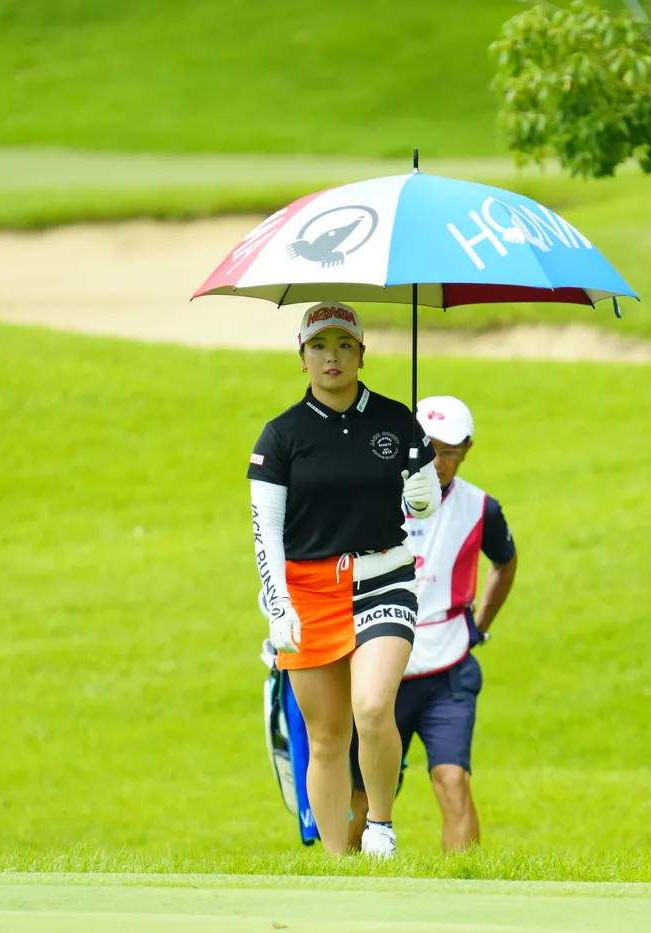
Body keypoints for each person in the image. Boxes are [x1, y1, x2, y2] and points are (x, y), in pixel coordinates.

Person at [247, 301, 441, 858]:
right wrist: (279, 605)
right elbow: (266, 531)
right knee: (327, 735)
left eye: (343, 345)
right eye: (319, 346)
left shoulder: (397, 420)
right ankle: (336, 862)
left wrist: (422, 494)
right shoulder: (281, 436)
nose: (331, 356)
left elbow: (426, 501)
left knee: (373, 707)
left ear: (361, 354)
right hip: (308, 593)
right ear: (302, 356)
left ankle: (380, 825)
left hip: (384, 579)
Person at [346, 395, 519, 853]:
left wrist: (479, 625)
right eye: (429, 448)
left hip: (448, 668)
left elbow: (505, 563)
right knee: (362, 791)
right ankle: (341, 879)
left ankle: (464, 883)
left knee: (452, 779)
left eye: (450, 452)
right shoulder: (371, 497)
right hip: (381, 667)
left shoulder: (480, 508)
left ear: (467, 450)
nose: (438, 462)